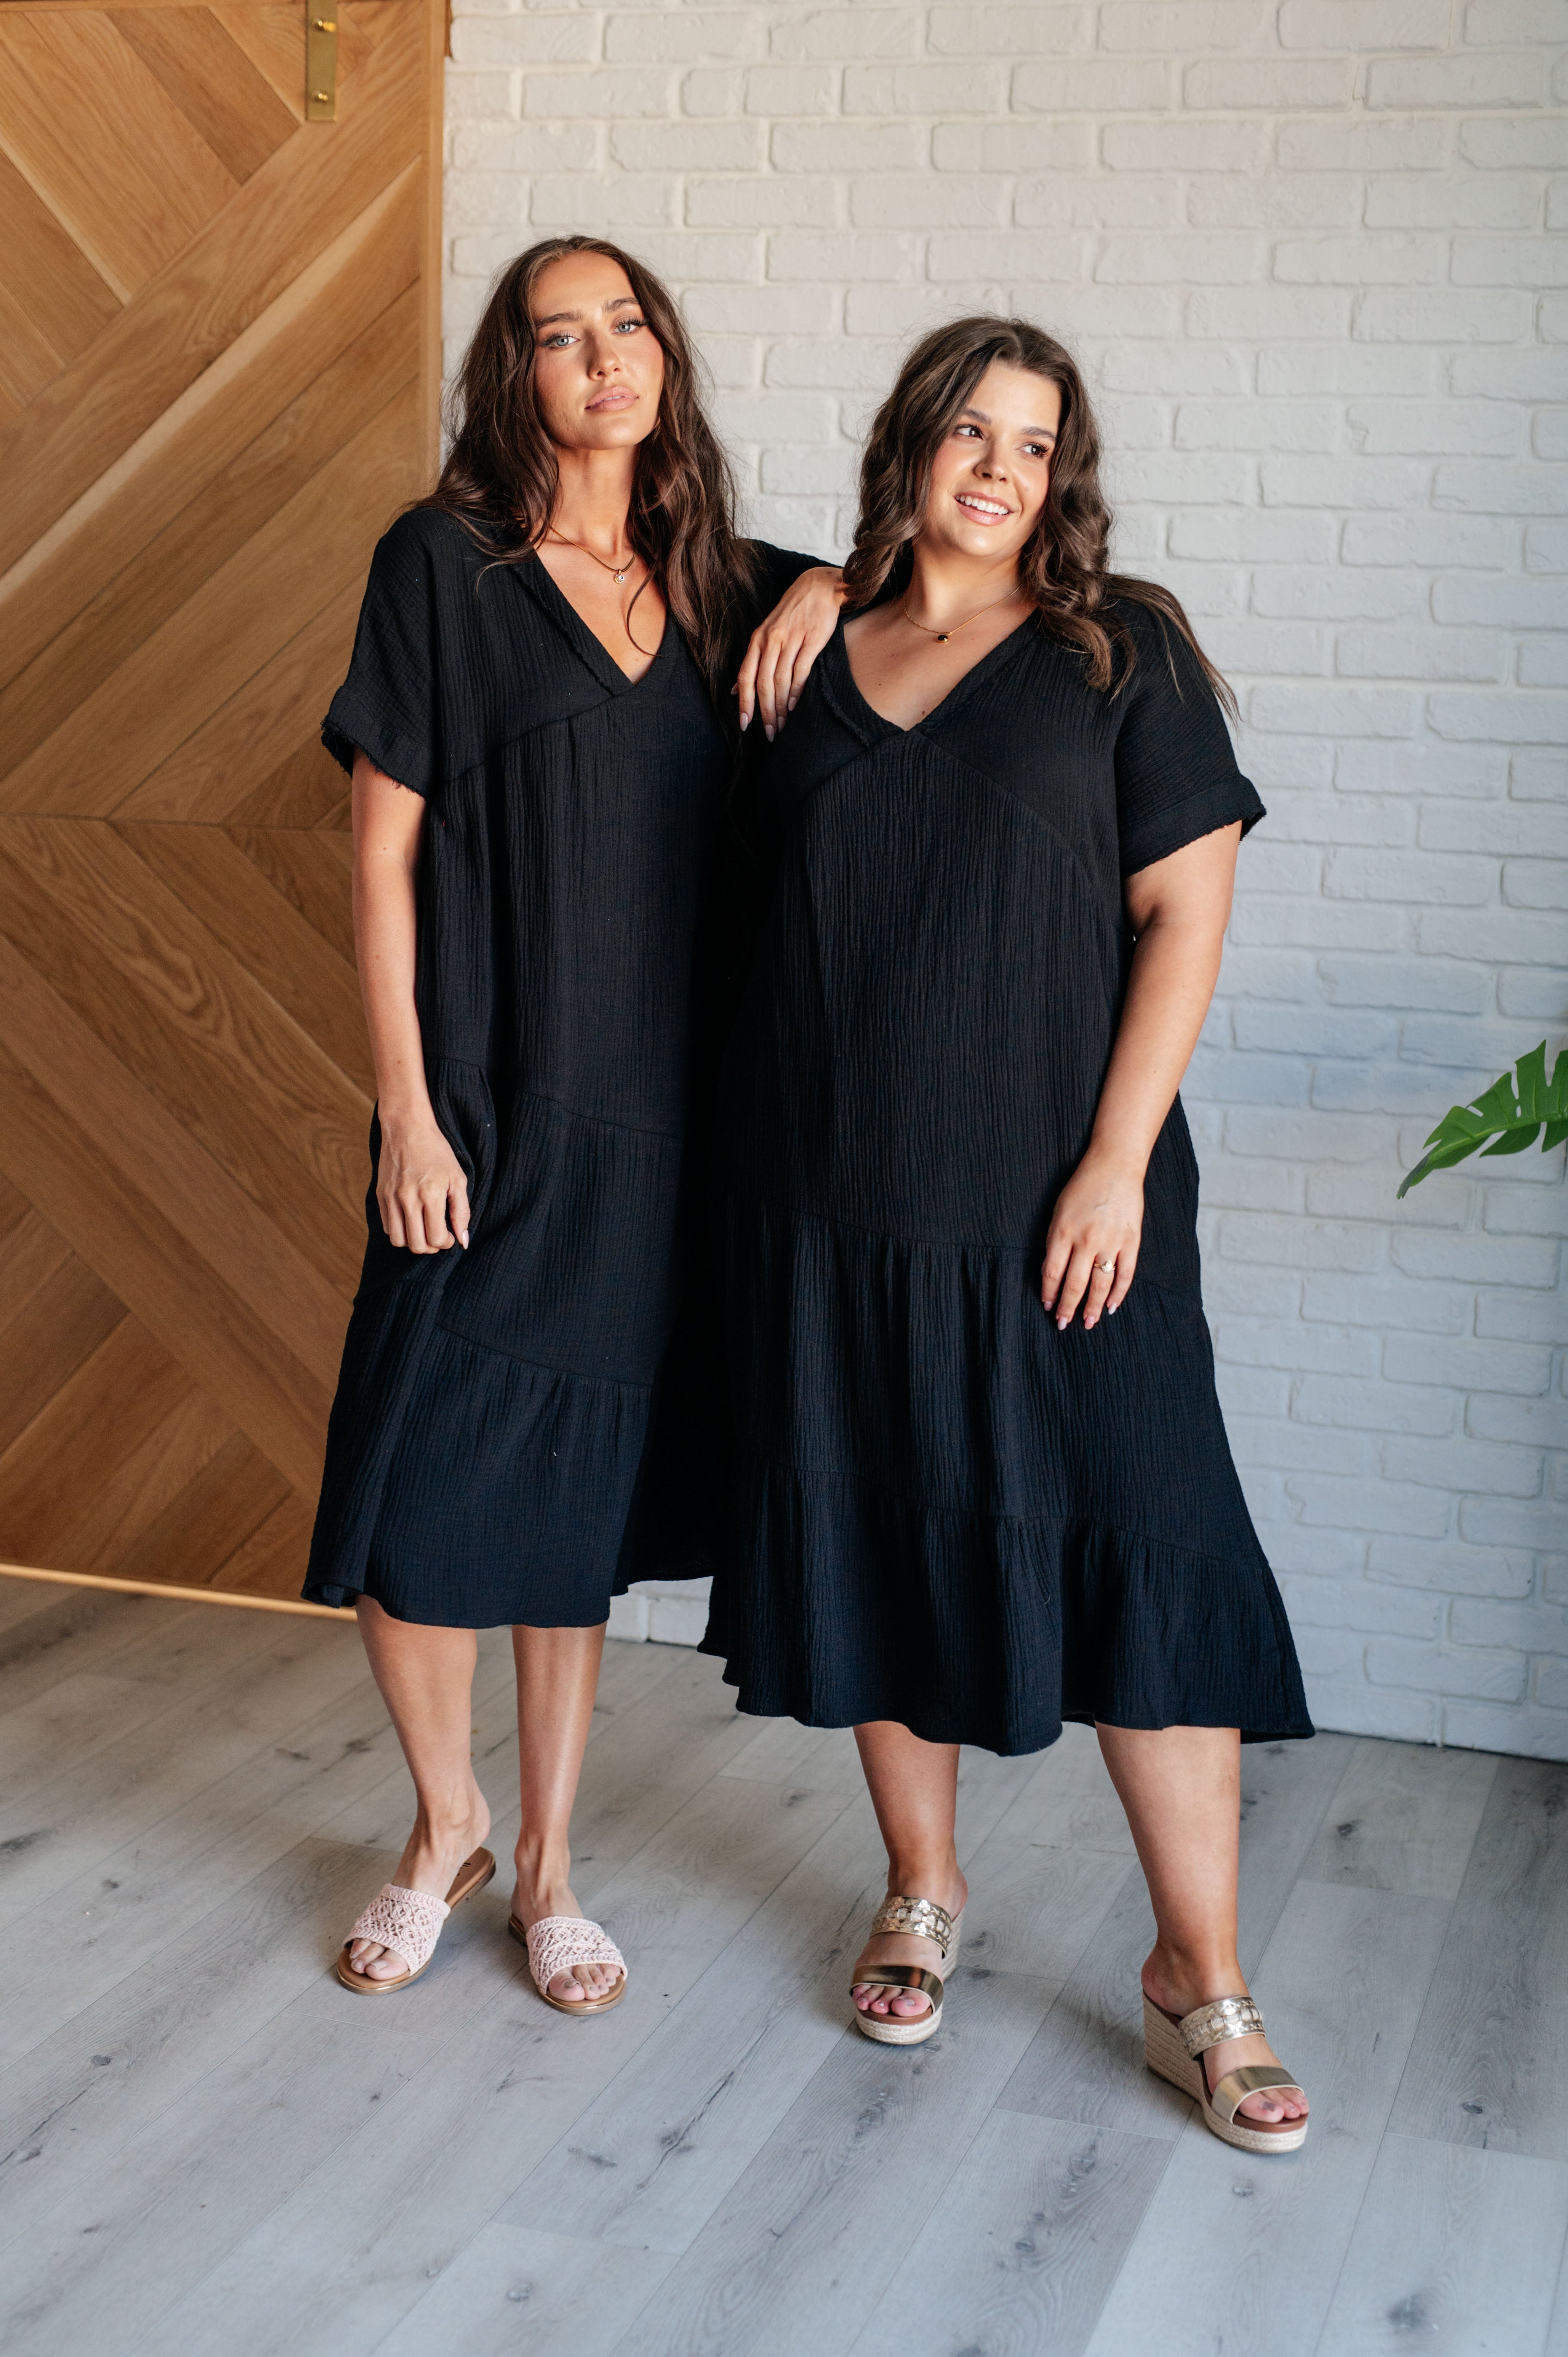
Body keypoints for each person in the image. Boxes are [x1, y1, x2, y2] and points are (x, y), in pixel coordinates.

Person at [702, 316, 1313, 2153]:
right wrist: (822, 580)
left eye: (1034, 445)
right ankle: (922, 1890)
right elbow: (630, 552)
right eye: (970, 430)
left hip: (1069, 1201)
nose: (998, 466)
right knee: (887, 1535)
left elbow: (1184, 921)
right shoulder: (799, 654)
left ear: (1066, 478)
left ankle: (1196, 1977)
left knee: (1152, 1540)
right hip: (841, 1197)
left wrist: (1119, 1161)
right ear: (910, 444)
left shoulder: (1123, 657)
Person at [307, 236, 842, 2012]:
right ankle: (441, 1817)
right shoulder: (440, 571)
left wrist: (834, 581)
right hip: (479, 1107)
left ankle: (545, 1864)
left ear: (662, 358)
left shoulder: (715, 589)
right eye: (561, 335)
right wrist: (404, 1106)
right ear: (514, 376)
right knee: (411, 1483)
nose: (603, 357)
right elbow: (382, 853)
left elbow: (926, 590)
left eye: (627, 326)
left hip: (662, 1136)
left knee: (574, 1514)